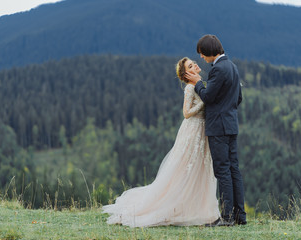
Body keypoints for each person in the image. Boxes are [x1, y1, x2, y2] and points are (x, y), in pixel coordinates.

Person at [102, 57, 220, 227]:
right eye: (190, 65)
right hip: (192, 131)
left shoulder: (201, 83)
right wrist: (203, 103)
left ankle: (200, 208)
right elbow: (186, 113)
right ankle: (176, 206)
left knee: (201, 168)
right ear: (186, 74)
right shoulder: (190, 87)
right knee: (186, 167)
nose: (195, 64)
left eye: (193, 62)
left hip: (203, 132)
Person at [185, 34, 247, 226]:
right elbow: (238, 98)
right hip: (231, 124)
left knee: (222, 171)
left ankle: (227, 217)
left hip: (218, 127)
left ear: (210, 51)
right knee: (233, 169)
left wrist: (197, 83)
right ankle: (240, 216)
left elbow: (208, 97)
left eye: (202, 54)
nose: (201, 58)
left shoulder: (218, 69)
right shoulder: (233, 67)